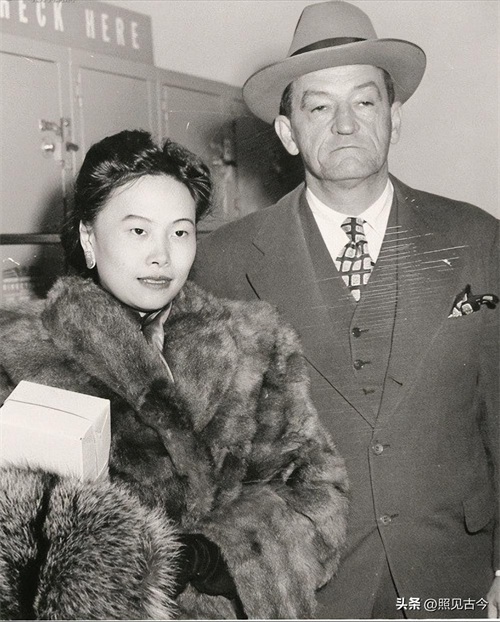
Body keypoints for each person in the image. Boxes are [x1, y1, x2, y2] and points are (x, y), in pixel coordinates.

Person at [191, 1, 500, 619]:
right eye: (319, 107)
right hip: (310, 591)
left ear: (394, 117)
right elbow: (212, 458)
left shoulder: (477, 238)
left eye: (364, 101)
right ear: (287, 133)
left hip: (455, 578)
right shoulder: (223, 261)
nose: (345, 124)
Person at [0, 130, 349, 620]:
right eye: (138, 231)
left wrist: (220, 554)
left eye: (180, 232)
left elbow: (317, 490)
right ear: (88, 237)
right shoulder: (17, 354)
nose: (162, 255)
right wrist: (126, 555)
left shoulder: (254, 340)